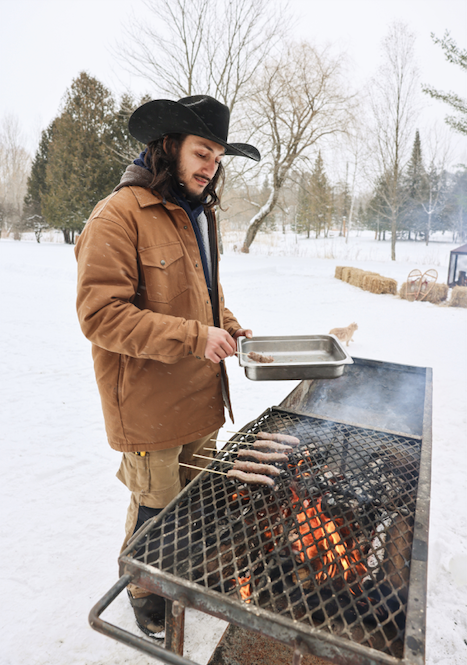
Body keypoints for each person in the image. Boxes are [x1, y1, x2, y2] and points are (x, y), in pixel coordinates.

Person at [75, 95, 260, 638]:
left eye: (218, 157)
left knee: (196, 497)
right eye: (203, 152)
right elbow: (101, 316)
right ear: (168, 146)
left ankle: (181, 570)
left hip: (201, 394)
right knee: (155, 503)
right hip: (147, 402)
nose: (211, 166)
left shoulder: (198, 214)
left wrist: (227, 325)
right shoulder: (118, 215)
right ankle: (143, 588)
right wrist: (194, 336)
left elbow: (203, 293)